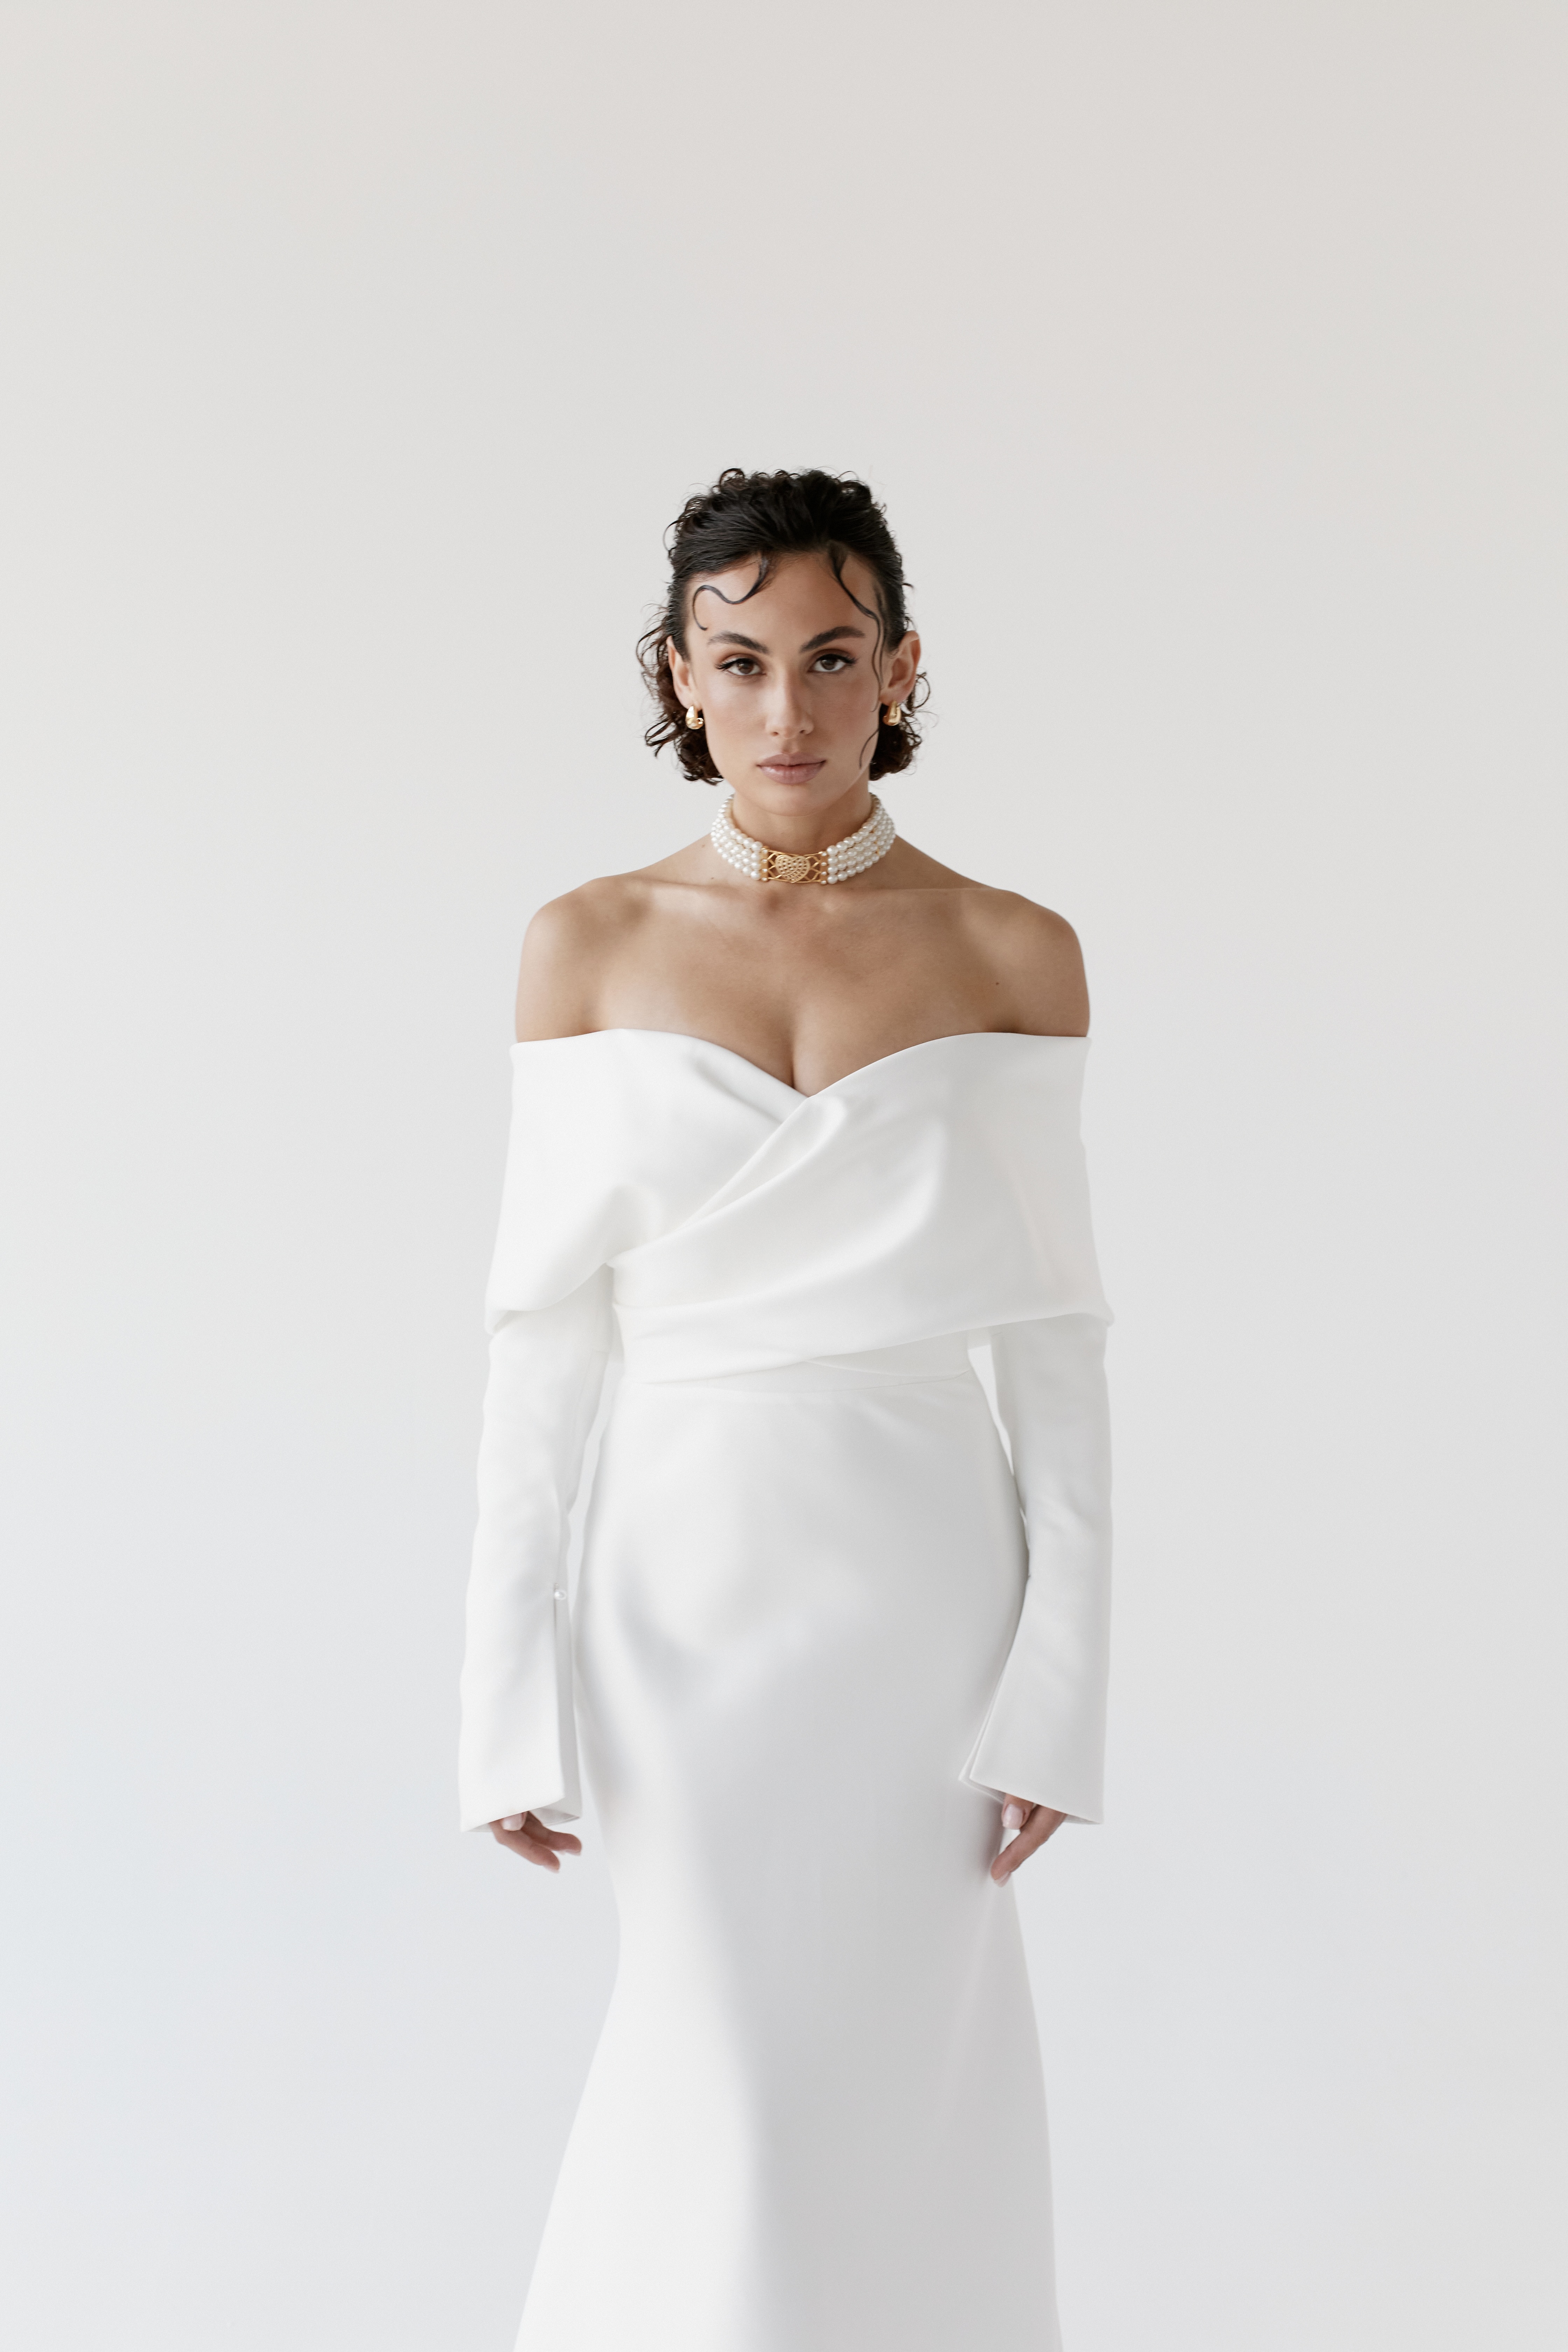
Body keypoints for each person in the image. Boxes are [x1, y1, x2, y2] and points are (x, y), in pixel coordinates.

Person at [458, 468, 1113, 2352]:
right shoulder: (585, 942)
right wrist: (504, 1692)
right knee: (717, 2064)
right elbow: (541, 1339)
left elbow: (1058, 1347)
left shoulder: (1013, 949)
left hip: (922, 1597)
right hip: (677, 1581)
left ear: (900, 669)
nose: (788, 710)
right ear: (678, 676)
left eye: (832, 658)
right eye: (739, 662)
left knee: (910, 2077)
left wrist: (1060, 1688)